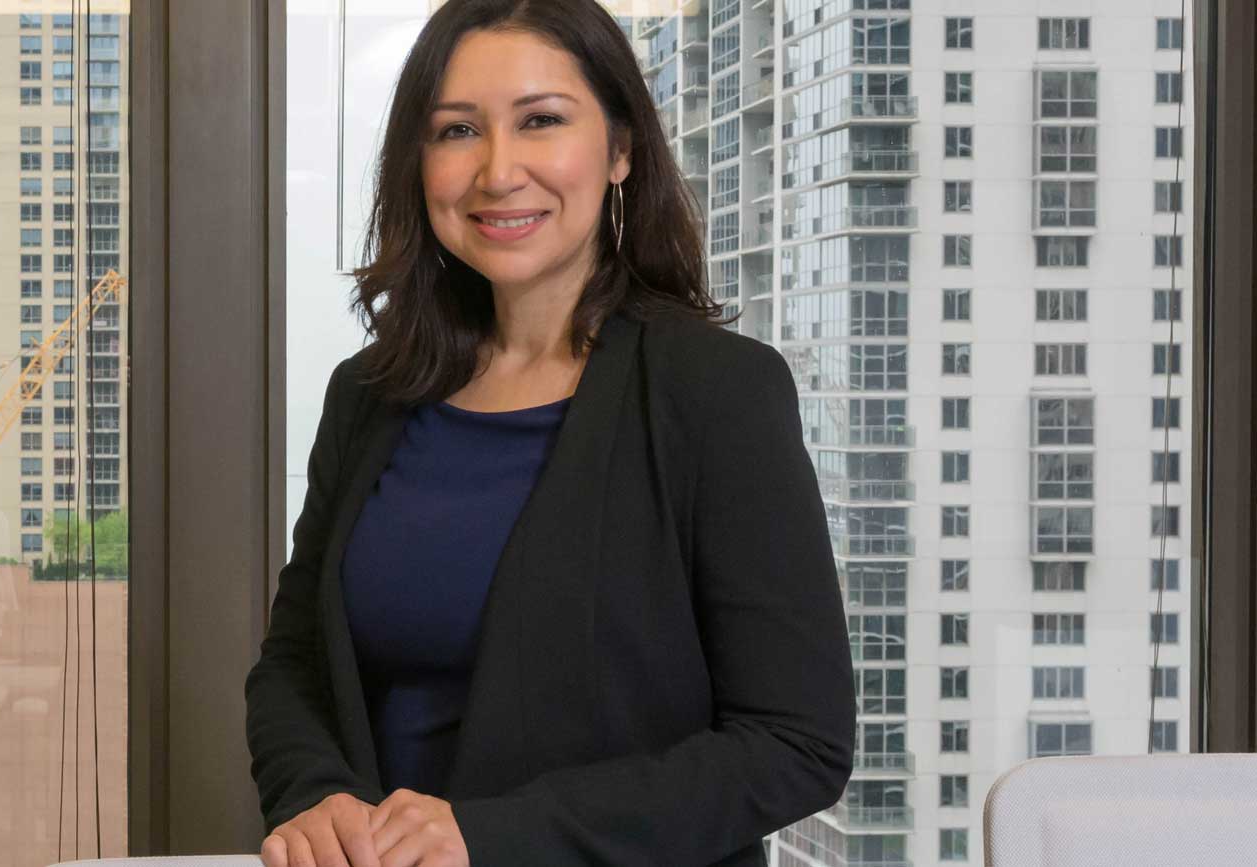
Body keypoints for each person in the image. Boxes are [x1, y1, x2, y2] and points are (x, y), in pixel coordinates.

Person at [244, 1, 854, 865]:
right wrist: (315, 795)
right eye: (457, 130)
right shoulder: (370, 395)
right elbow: (296, 663)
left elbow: (798, 744)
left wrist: (492, 837)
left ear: (620, 150)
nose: (497, 171)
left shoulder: (721, 393)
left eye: (542, 121)